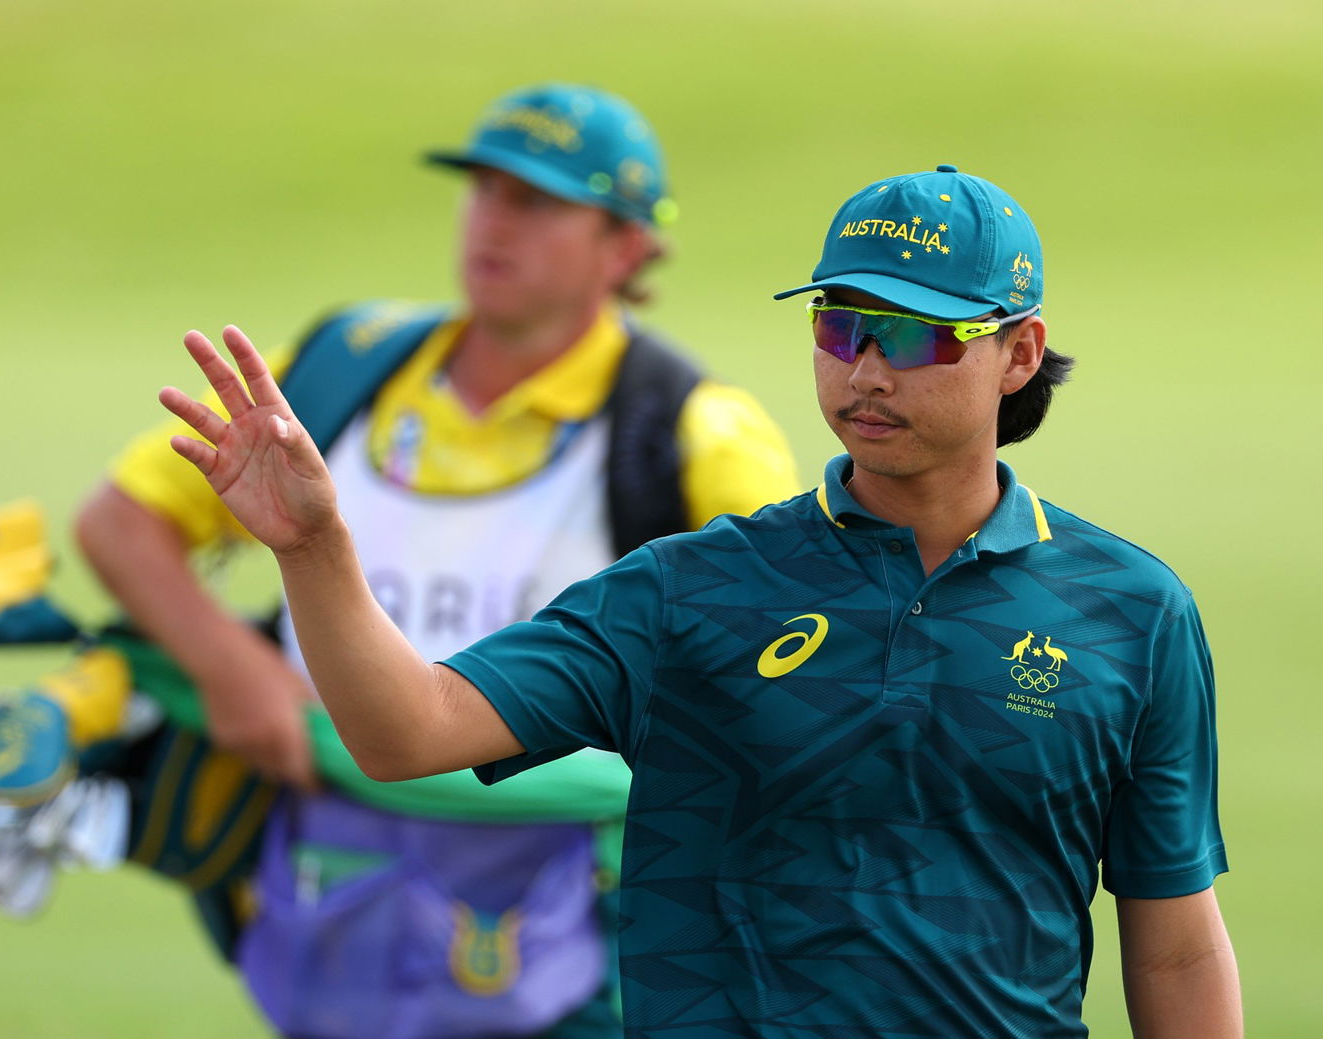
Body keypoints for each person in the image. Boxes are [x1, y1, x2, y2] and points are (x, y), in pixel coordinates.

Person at [161, 164, 1242, 1037]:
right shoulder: (691, 589)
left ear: (1019, 352)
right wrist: (314, 547)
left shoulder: (1130, 612)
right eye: (839, 328)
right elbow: (404, 731)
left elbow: (1176, 940)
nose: (865, 370)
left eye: (913, 336)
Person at [77, 83, 801, 1038]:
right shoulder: (345, 365)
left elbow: (801, 664)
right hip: (328, 878)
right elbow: (121, 524)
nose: (493, 222)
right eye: (483, 189)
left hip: (580, 910)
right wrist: (230, 665)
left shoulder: (696, 430)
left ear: (623, 247)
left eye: (538, 202)